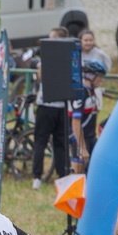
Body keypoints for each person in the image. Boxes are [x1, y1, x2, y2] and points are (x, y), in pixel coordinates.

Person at [31, 27, 71, 190]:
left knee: (41, 141)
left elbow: (40, 76)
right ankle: (62, 176)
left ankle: (37, 176)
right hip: (61, 105)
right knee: (60, 143)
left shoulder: (48, 57)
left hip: (47, 105)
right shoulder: (69, 56)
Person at [69, 60, 106, 173]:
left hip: (91, 137)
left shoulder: (93, 92)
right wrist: (82, 148)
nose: (101, 80)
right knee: (78, 174)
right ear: (91, 76)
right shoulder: (81, 93)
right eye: (99, 76)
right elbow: (76, 122)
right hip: (79, 138)